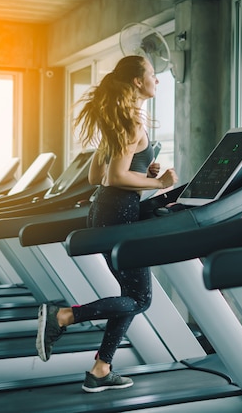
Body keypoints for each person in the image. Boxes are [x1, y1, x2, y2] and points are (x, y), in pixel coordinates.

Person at [35, 55, 178, 393]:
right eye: (152, 75)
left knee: (131, 294)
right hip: (120, 215)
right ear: (136, 82)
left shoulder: (119, 120)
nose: (157, 80)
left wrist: (142, 175)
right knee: (140, 299)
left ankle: (101, 368)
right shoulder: (130, 122)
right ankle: (62, 316)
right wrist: (160, 184)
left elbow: (96, 175)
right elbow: (114, 176)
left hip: (106, 210)